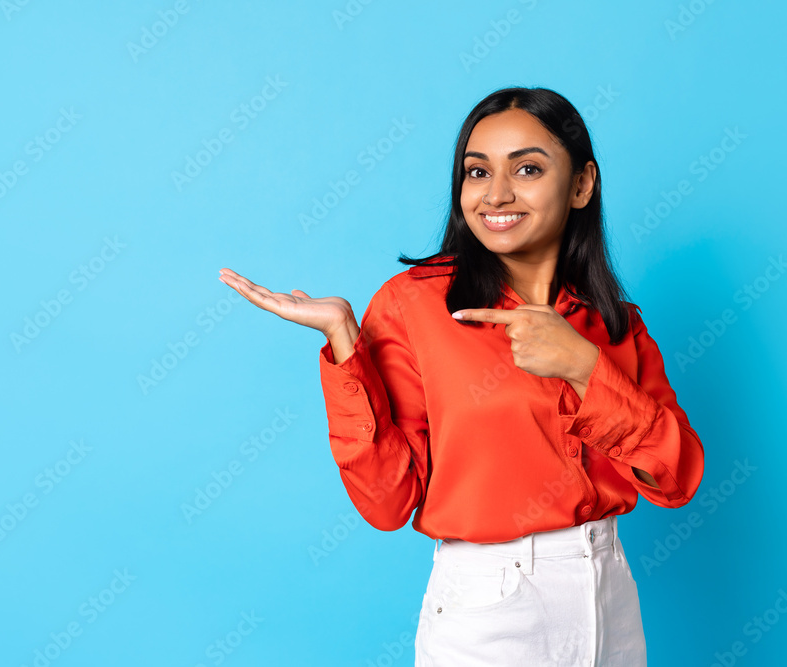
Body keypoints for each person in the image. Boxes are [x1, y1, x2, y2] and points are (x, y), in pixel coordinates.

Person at [217, 86, 704, 666]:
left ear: (581, 184)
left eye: (527, 168)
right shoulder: (414, 306)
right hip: (491, 607)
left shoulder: (613, 323)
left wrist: (582, 365)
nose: (496, 193)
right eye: (477, 172)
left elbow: (675, 478)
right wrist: (345, 343)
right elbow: (389, 502)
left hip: (609, 591)